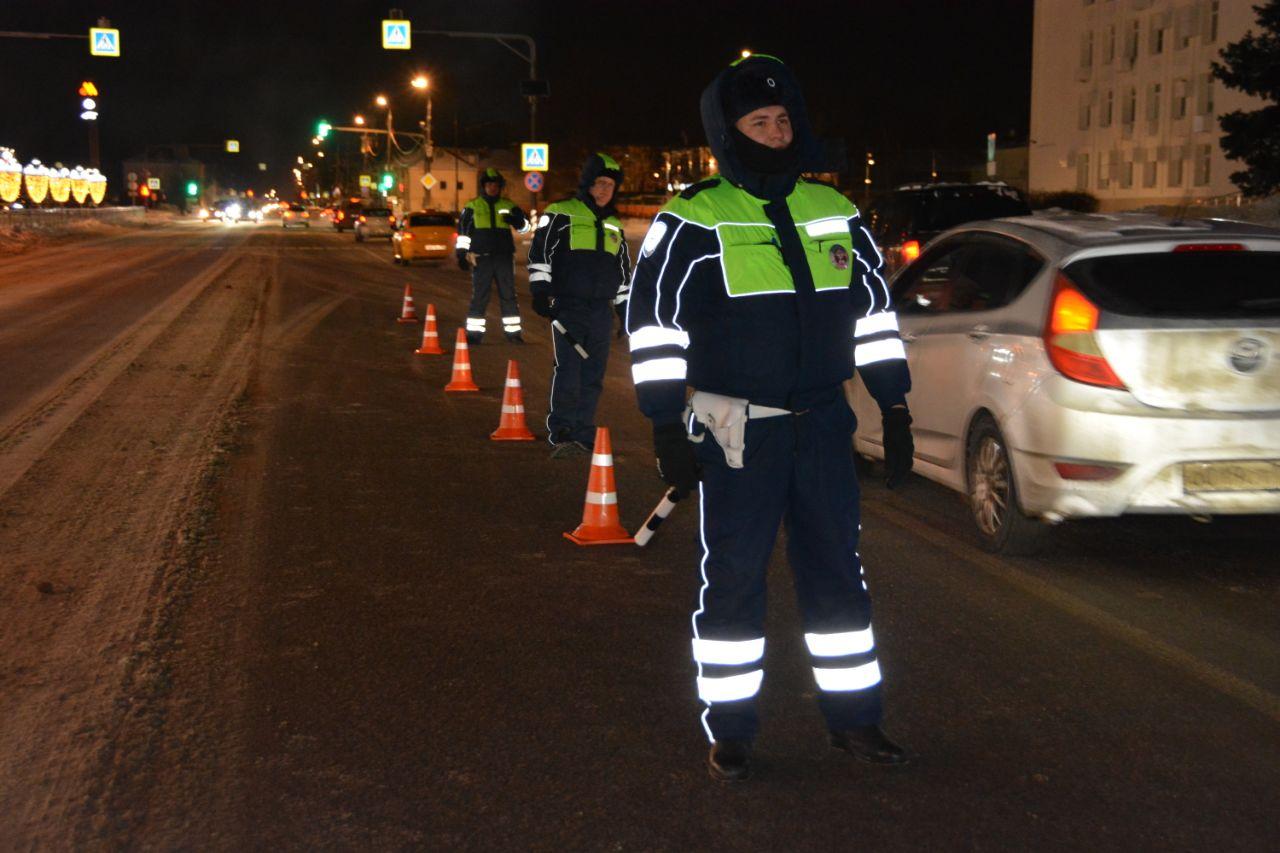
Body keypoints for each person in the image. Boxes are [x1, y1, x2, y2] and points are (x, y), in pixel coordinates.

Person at [625, 54, 915, 781]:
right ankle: (731, 729)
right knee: (733, 578)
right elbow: (653, 324)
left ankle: (856, 721)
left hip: (820, 423)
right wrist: (665, 422)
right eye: (760, 121)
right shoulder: (693, 217)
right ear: (729, 133)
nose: (777, 132)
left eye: (785, 120)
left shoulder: (835, 210)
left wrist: (895, 403)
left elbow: (874, 314)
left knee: (837, 577)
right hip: (733, 424)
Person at [528, 153, 632, 456]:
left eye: (609, 185)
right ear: (588, 183)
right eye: (599, 183)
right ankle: (562, 428)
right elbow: (540, 253)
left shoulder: (614, 224)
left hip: (601, 311)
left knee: (594, 374)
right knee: (569, 370)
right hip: (569, 307)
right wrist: (540, 291)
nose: (603, 190)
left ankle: (583, 430)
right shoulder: (561, 212)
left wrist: (623, 308)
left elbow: (623, 271)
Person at [456, 168, 529, 344]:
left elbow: (526, 227)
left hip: (504, 257)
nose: (492, 188)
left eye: (495, 184)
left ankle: (513, 334)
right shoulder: (472, 206)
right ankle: (474, 335)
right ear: (483, 186)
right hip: (482, 257)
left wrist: (517, 221)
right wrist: (461, 253)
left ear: (500, 186)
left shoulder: (509, 205)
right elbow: (463, 232)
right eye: (489, 184)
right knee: (480, 296)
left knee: (509, 295)